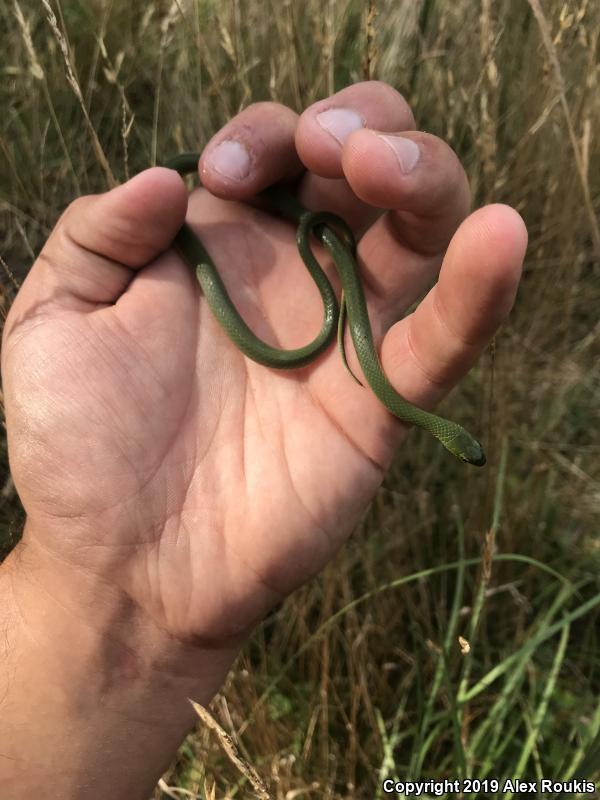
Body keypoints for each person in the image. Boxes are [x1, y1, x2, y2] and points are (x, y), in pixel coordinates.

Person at [0, 81, 527, 798]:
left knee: (313, 190)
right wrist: (83, 576)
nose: (465, 449)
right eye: (465, 445)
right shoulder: (341, 335)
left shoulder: (362, 367)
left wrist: (95, 591)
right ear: (447, 439)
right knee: (250, 175)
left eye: (464, 446)